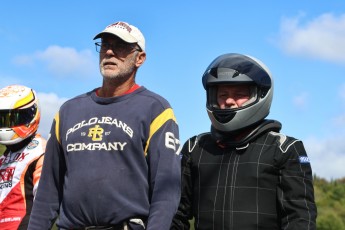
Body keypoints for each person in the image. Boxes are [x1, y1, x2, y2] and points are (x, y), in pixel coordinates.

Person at [28, 21, 181, 230]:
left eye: (120, 46)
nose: (109, 51)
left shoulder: (156, 110)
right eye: (105, 44)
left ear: (140, 58)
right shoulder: (68, 111)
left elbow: (166, 191)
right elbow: (48, 190)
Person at [171, 53, 317, 229]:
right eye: (222, 94)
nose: (229, 101)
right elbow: (176, 214)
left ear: (260, 94)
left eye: (239, 94)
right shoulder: (196, 148)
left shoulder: (285, 149)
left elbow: (300, 219)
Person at [0, 84, 46, 230]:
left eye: (14, 119)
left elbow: (45, 203)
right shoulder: (4, 157)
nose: (7, 125)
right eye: (3, 119)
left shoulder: (41, 151)